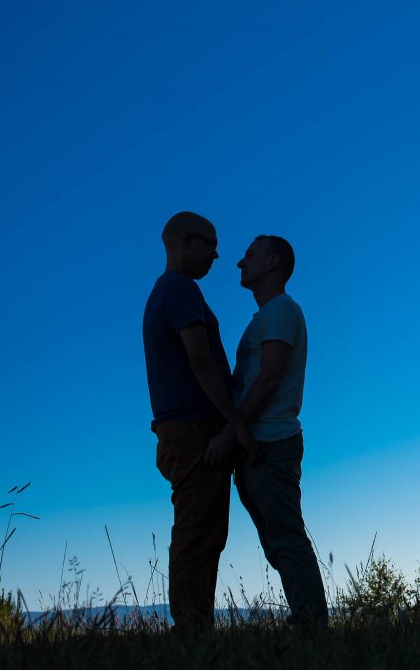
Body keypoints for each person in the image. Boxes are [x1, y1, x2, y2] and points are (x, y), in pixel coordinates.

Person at [142, 211, 259, 631]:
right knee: (197, 534)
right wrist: (234, 422)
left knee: (202, 532)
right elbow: (199, 358)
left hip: (183, 430)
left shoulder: (167, 291)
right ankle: (192, 631)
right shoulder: (181, 289)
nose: (217, 254)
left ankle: (195, 626)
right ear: (187, 241)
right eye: (210, 244)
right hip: (193, 430)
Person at [232, 234, 329, 628]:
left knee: (285, 538)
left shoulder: (281, 310)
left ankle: (311, 626)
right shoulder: (270, 315)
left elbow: (270, 377)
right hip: (260, 443)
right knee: (278, 541)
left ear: (273, 262)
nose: (241, 262)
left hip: (271, 443)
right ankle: (307, 622)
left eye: (250, 255)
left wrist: (231, 430)